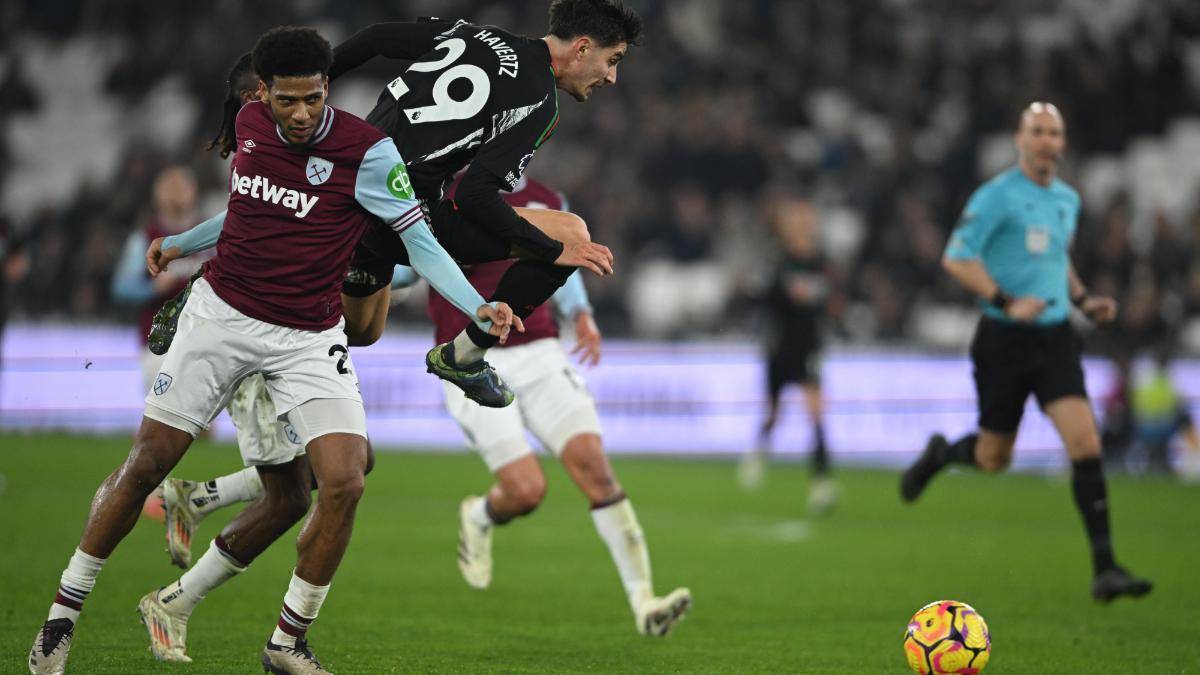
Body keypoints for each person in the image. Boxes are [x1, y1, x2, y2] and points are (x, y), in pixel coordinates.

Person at [28, 26, 517, 675]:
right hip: (222, 316)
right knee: (148, 460)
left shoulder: (367, 153)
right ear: (264, 94)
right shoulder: (251, 125)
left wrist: (471, 305)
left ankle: (287, 640)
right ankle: (63, 614)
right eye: (288, 101)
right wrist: (181, 243)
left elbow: (420, 241)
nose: (302, 113)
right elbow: (245, 211)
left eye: (314, 98)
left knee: (345, 477)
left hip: (308, 335)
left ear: (326, 90)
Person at [899, 102, 1153, 603]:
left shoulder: (1067, 200)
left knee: (1086, 444)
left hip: (1056, 338)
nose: (1045, 141)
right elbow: (957, 258)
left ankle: (1106, 570)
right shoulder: (996, 197)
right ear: (1020, 139)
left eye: (1053, 133)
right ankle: (942, 454)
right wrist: (1004, 300)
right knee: (995, 458)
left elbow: (1057, 258)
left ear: (1062, 142)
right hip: (1004, 341)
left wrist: (1082, 299)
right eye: (1036, 131)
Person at [329, 0, 639, 406]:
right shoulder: (539, 99)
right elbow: (476, 196)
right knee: (571, 234)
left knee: (361, 331)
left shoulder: (477, 33)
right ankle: (465, 355)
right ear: (582, 48)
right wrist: (554, 251)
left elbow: (377, 38)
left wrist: (311, 82)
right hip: (402, 216)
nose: (612, 77)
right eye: (612, 60)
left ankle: (282, 332)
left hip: (347, 187)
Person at [737, 198, 836, 514]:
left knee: (816, 413)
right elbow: (772, 298)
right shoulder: (778, 262)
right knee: (774, 413)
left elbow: (823, 298)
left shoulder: (820, 261)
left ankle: (821, 485)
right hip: (781, 346)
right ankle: (759, 451)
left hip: (809, 345)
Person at [110, 166, 208, 391]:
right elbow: (121, 286)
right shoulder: (145, 237)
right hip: (158, 341)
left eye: (181, 186)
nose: (175, 192)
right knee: (160, 419)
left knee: (201, 419)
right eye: (169, 187)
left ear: (194, 191)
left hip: (204, 339)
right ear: (157, 194)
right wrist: (152, 289)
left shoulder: (210, 234)